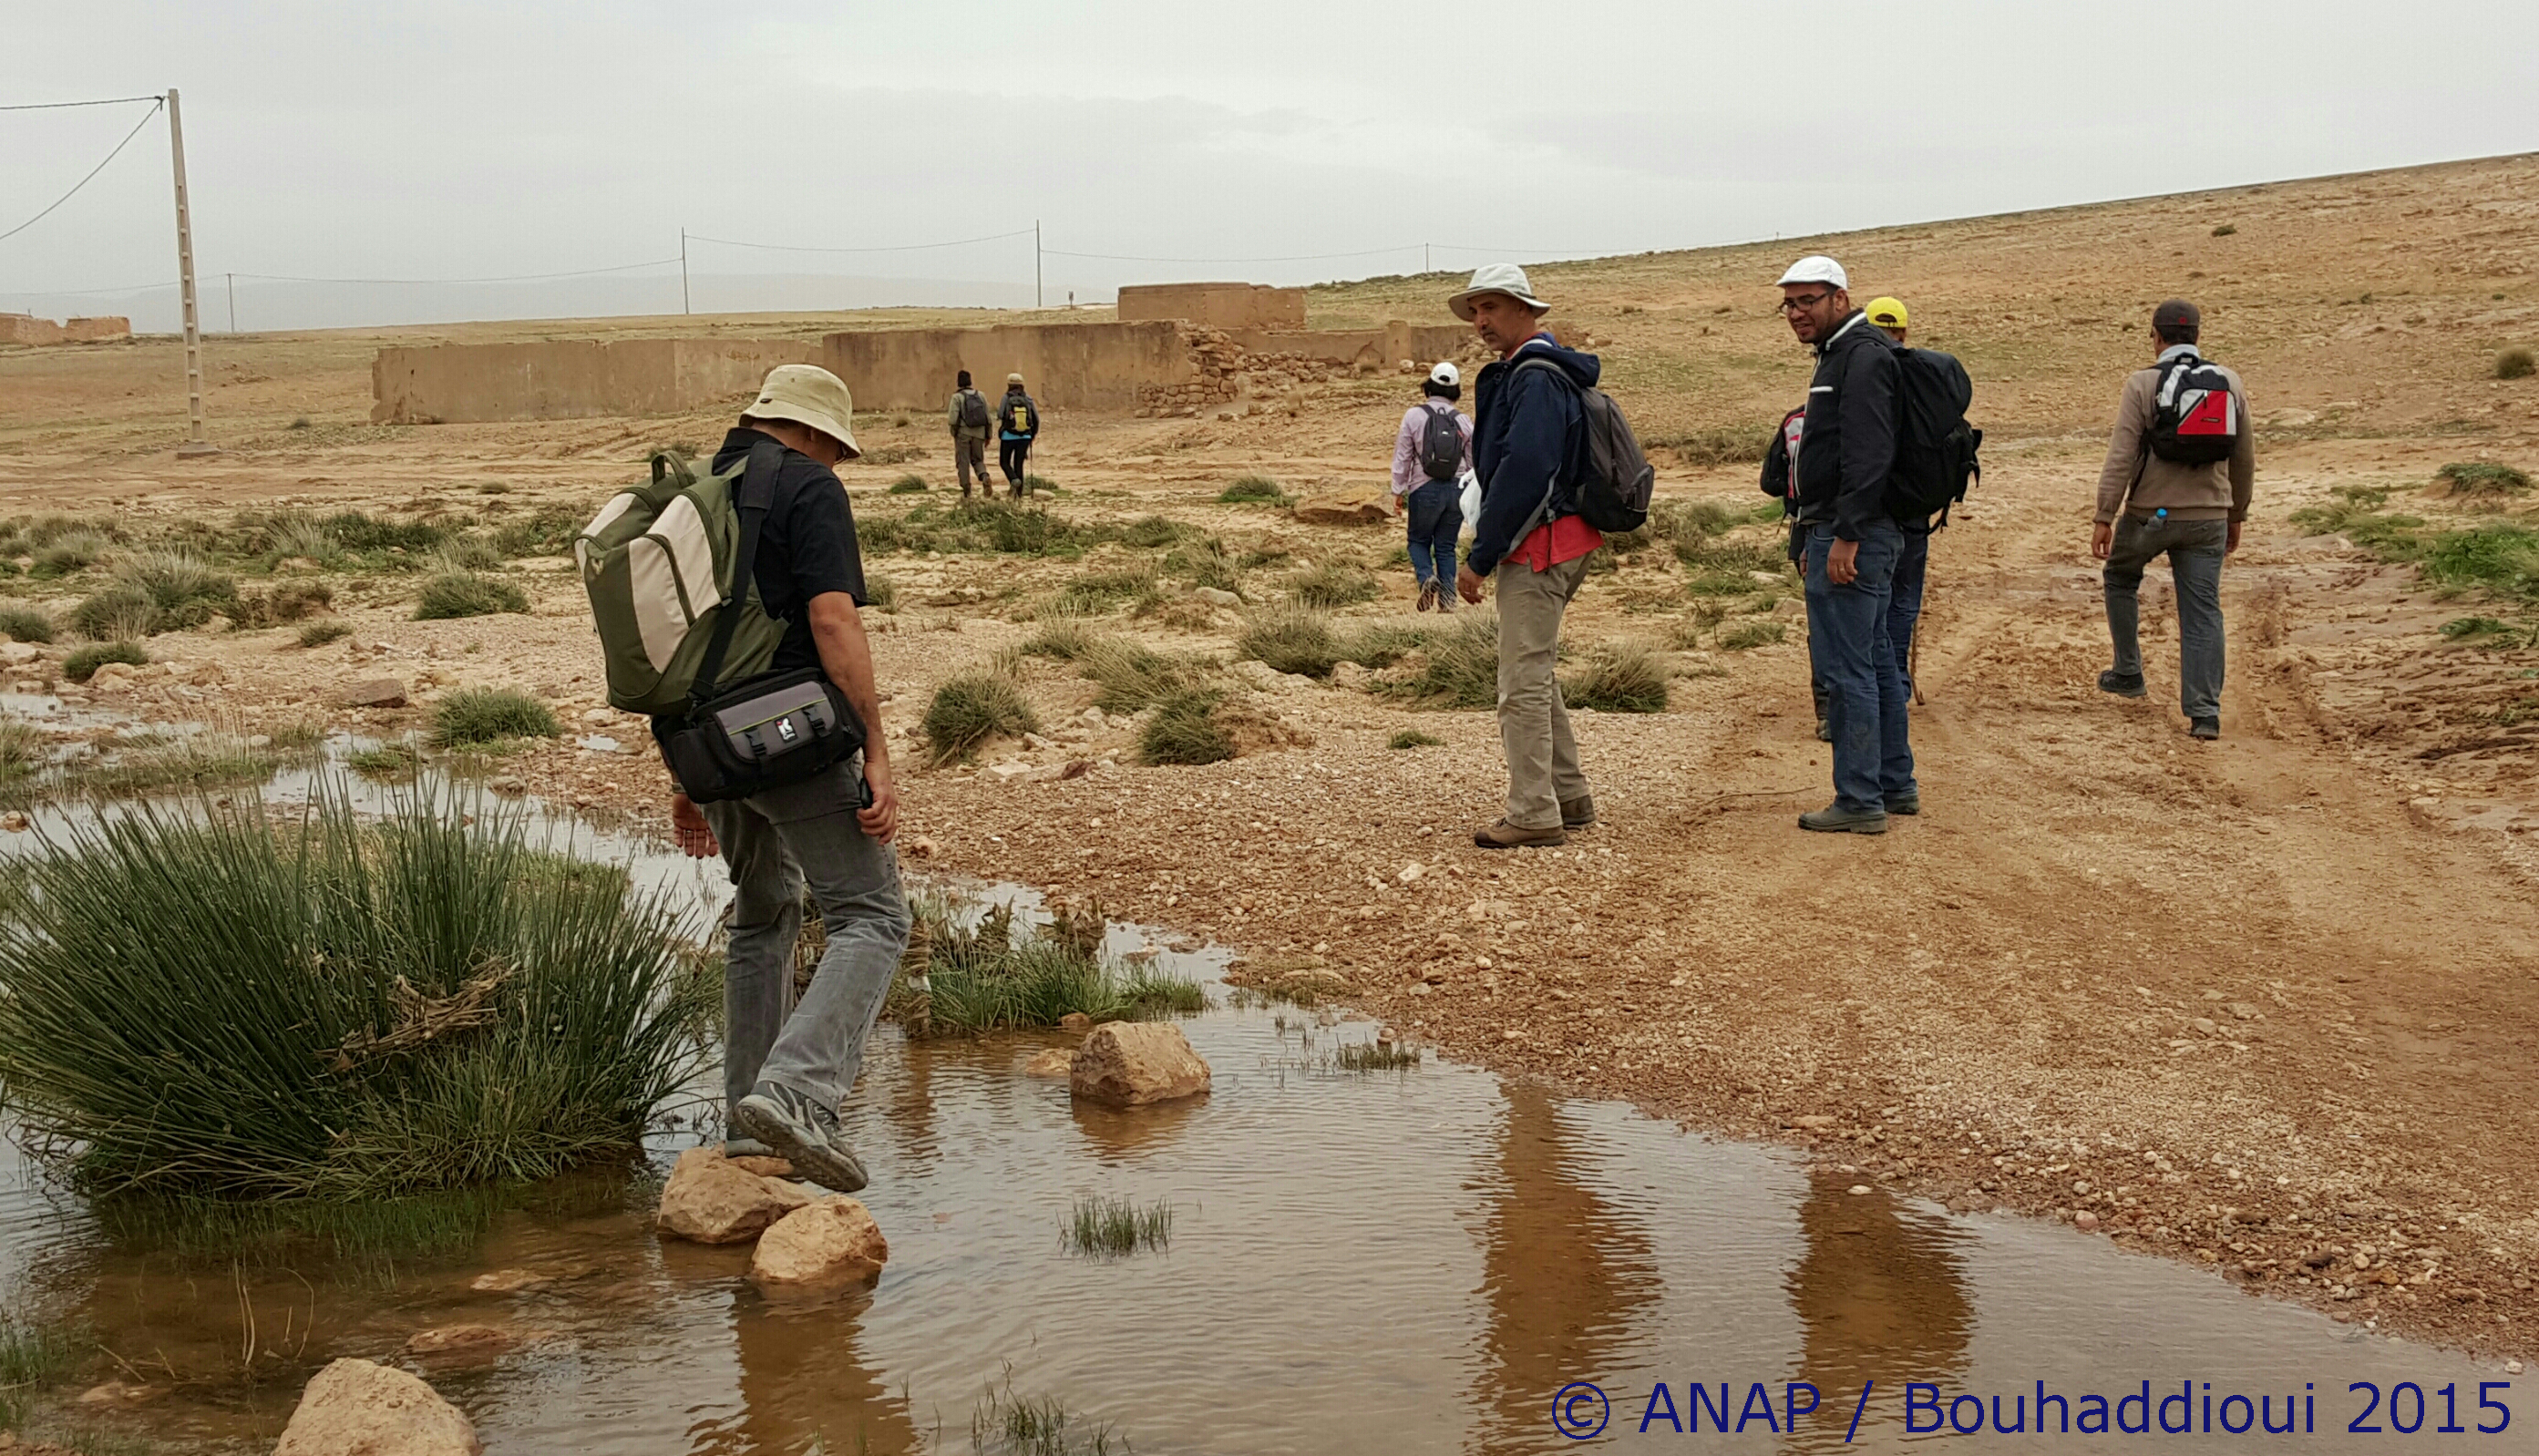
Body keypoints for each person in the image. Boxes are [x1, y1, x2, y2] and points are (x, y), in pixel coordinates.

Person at [660, 363, 908, 1193]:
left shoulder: (696, 491)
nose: (835, 464)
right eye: (835, 449)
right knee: (872, 916)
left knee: (762, 913)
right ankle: (798, 1096)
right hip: (785, 739)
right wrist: (876, 744)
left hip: (702, 743)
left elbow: (665, 647)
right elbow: (831, 618)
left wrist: (683, 777)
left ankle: (746, 1127)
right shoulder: (808, 489)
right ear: (812, 433)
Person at [1449, 263, 1600, 848]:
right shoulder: (1545, 370)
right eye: (1476, 310)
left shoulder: (1534, 378)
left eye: (1491, 308)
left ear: (1525, 310)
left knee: (1520, 682)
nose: (1481, 321)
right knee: (1533, 670)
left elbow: (1525, 471)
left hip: (1538, 544)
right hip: (1562, 538)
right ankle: (1568, 794)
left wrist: (1481, 556)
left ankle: (1534, 813)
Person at [1778, 255, 1916, 834]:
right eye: (1788, 303)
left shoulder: (1857, 357)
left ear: (1840, 298)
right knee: (1878, 657)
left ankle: (1860, 800)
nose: (1796, 312)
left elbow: (1868, 453)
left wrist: (1846, 536)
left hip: (1852, 533)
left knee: (1847, 667)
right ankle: (1893, 784)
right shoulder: (1849, 353)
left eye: (1807, 300)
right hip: (1852, 529)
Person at [2091, 298, 2254, 741]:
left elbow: (2121, 455)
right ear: (2198, 336)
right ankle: (2204, 714)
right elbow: (2243, 457)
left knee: (2121, 578)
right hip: (2209, 518)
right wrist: (2236, 512)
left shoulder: (2142, 384)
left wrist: (2105, 514)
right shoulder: (2229, 381)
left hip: (2150, 515)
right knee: (2202, 610)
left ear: (2156, 336)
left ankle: (2128, 671)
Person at [1863, 296, 1933, 702]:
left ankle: (1879, 682)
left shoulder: (1859, 370)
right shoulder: (1924, 376)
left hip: (1874, 508)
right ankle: (1898, 683)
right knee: (1905, 596)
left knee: (1875, 599)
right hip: (1916, 505)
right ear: (1903, 331)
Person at [1758, 401, 1832, 741]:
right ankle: (1886, 694)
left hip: (1808, 528)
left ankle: (1828, 710)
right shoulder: (1875, 410)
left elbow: (1770, 482)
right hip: (1881, 528)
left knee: (1823, 622)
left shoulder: (1796, 420)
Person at [1392, 361, 1473, 612]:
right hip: (1456, 490)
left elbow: (1403, 456)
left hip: (1423, 489)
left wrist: (1397, 490)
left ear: (1429, 386)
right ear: (1455, 391)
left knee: (1417, 540)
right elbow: (1473, 462)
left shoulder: (1414, 416)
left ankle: (1427, 577)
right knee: (1446, 546)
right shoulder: (1464, 420)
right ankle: (1448, 602)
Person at [947, 369, 991, 497]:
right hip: (979, 434)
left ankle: (967, 490)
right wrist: (988, 435)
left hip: (963, 434)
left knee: (963, 461)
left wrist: (954, 433)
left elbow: (953, 419)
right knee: (978, 460)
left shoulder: (957, 397)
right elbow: (988, 418)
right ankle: (984, 477)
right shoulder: (981, 395)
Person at [997, 372, 1040, 498]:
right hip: (1025, 437)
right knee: (1018, 464)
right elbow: (1036, 419)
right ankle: (1019, 495)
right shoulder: (1028, 399)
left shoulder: (1006, 397)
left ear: (1009, 384)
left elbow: (1000, 414)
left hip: (1008, 436)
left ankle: (1013, 480)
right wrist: (1032, 435)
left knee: (1004, 462)